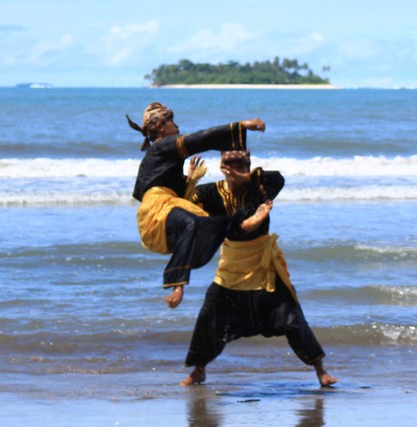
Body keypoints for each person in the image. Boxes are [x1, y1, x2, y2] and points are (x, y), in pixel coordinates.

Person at [180, 150, 338, 387]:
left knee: (291, 315)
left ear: (248, 165)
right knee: (209, 314)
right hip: (232, 264)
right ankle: (198, 370)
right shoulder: (211, 192)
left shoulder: (259, 189)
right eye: (228, 163)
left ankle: (320, 371)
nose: (233, 167)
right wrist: (191, 180)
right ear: (221, 166)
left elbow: (278, 179)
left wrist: (245, 178)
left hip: (263, 265)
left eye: (240, 163)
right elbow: (184, 206)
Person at [127, 102, 265, 308]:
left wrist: (189, 181)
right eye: (171, 121)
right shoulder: (163, 146)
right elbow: (200, 139)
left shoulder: (158, 155)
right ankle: (177, 285)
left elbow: (152, 187)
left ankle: (239, 225)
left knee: (206, 223)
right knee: (192, 224)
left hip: (162, 211)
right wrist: (241, 126)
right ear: (160, 127)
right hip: (157, 211)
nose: (177, 125)